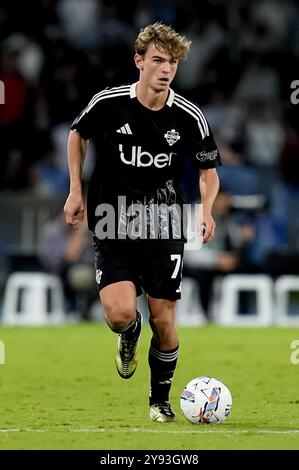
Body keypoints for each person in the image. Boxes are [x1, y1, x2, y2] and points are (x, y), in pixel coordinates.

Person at [64, 23, 221, 423]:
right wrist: (76, 191)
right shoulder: (109, 102)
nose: (166, 69)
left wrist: (206, 208)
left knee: (164, 318)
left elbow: (208, 171)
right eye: (158, 60)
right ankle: (128, 336)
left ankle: (159, 400)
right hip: (112, 219)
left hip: (165, 222)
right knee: (119, 314)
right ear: (139, 62)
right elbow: (77, 135)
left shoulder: (189, 117)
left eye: (172, 62)